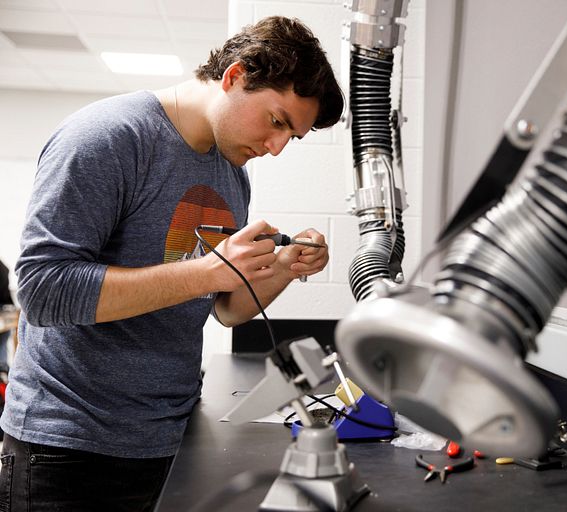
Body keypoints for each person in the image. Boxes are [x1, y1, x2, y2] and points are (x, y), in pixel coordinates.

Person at [0, 16, 343, 511]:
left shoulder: (232, 174)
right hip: (68, 451)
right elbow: (41, 289)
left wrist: (284, 266)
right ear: (235, 77)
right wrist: (208, 270)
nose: (276, 148)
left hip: (170, 439)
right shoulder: (109, 137)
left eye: (292, 137)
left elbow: (223, 309)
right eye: (277, 121)